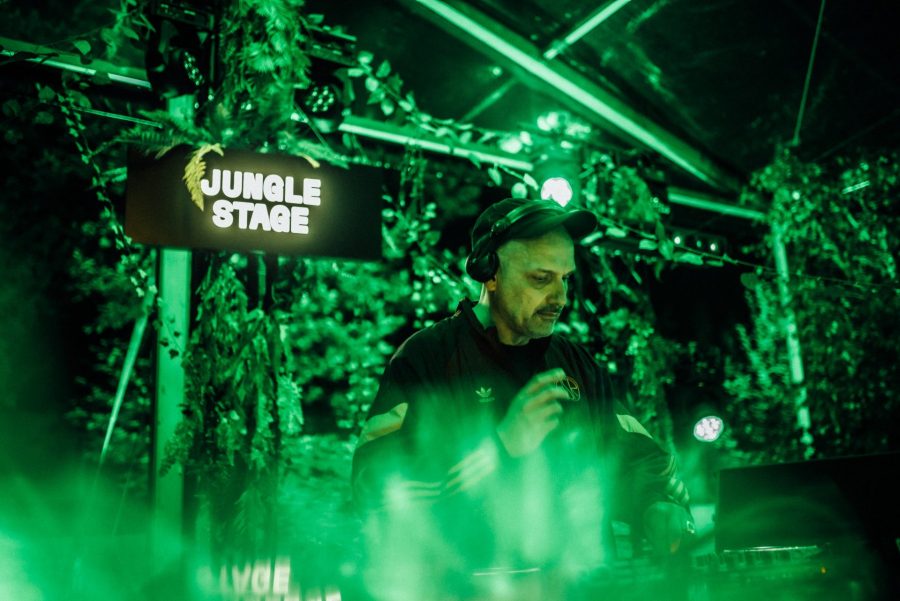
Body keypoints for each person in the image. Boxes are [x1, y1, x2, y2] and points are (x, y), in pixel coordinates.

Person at [351, 197, 693, 600]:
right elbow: (376, 488)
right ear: (490, 272)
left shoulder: (576, 363)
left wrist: (656, 504)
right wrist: (500, 448)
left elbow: (636, 458)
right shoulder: (427, 359)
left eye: (566, 278)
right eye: (541, 278)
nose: (560, 297)